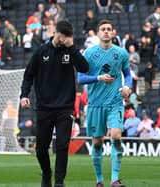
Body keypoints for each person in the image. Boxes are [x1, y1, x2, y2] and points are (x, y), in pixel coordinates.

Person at [20, 20, 89, 187]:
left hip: (65, 108)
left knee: (62, 145)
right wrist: (24, 95)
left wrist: (72, 48)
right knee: (41, 149)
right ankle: (46, 173)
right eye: (61, 35)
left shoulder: (70, 51)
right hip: (44, 106)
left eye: (67, 37)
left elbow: (84, 68)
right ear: (55, 32)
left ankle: (59, 182)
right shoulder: (41, 51)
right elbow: (29, 75)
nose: (63, 39)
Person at [78, 19, 132, 187]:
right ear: (98, 33)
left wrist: (127, 87)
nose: (106, 31)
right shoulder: (89, 53)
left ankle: (114, 179)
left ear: (113, 33)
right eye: (103, 29)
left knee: (115, 136)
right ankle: (99, 180)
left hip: (115, 102)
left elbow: (128, 74)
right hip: (95, 104)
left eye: (109, 29)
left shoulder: (122, 53)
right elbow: (80, 78)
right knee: (97, 142)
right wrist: (98, 77)